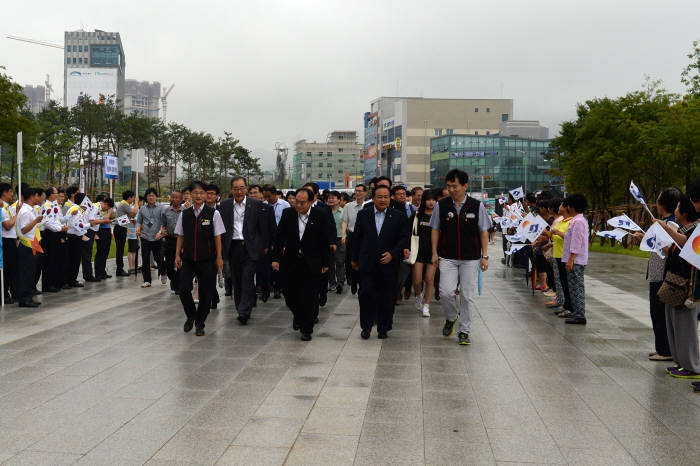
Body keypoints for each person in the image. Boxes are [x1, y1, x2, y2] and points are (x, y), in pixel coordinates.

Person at [431, 169, 491, 346]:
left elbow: (483, 232)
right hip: (447, 257)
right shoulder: (441, 206)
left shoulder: (476, 206)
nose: (451, 190)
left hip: (470, 258)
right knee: (446, 292)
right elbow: (435, 229)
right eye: (448, 186)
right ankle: (451, 317)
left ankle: (464, 330)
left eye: (454, 186)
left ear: (465, 186)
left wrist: (485, 256)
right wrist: (434, 252)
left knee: (467, 295)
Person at [272, 188, 330, 341]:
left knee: (309, 297)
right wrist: (276, 258)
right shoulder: (288, 214)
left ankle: (307, 329)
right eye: (296, 202)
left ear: (311, 202)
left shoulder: (320, 216)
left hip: (312, 263)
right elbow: (279, 237)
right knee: (290, 295)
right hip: (291, 261)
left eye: (302, 203)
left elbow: (325, 241)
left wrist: (325, 262)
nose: (298, 205)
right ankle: (298, 316)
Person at [352, 185, 410, 339]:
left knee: (387, 296)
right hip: (367, 262)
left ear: (390, 197)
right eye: (379, 196)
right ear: (373, 197)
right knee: (366, 295)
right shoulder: (363, 214)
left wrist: (393, 253)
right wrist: (354, 259)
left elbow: (404, 238)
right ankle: (366, 326)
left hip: (388, 264)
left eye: (386, 196)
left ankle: (384, 327)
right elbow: (356, 237)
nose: (383, 200)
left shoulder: (398, 216)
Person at [631, 188, 681, 361]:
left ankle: (665, 350)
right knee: (657, 312)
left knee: (659, 313)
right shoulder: (665, 221)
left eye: (658, 199)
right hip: (657, 272)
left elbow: (668, 249)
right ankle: (662, 347)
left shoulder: (670, 224)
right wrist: (646, 237)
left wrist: (652, 237)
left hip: (662, 274)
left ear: (663, 204)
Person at [175, 181, 225, 336]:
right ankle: (191, 315)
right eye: (195, 193)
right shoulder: (184, 214)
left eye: (202, 193)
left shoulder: (213, 214)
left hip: (207, 260)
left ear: (206, 195)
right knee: (183, 289)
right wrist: (177, 255)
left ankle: (200, 323)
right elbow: (180, 236)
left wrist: (219, 258)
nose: (198, 195)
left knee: (206, 292)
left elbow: (218, 237)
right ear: (189, 195)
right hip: (189, 259)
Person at [658, 194, 700, 379]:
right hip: (675, 285)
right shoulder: (685, 229)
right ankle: (682, 363)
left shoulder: (693, 230)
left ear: (684, 211)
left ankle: (692, 366)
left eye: (677, 208)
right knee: (675, 326)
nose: (675, 211)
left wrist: (666, 229)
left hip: (685, 287)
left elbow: (689, 250)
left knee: (686, 328)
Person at [219, 176, 271, 325]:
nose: (239, 191)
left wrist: (262, 247)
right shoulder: (224, 205)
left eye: (242, 188)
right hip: (233, 247)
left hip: (250, 248)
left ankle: (244, 311)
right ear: (231, 190)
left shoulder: (256, 204)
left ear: (246, 188)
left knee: (247, 278)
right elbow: (222, 230)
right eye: (236, 188)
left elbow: (262, 229)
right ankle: (240, 307)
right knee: (236, 279)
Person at [303, 182, 337, 307]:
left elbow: (331, 226)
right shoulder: (299, 208)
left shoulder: (325, 208)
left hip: (322, 246)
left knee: (322, 274)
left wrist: (333, 241)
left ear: (316, 194)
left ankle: (322, 293)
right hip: (305, 249)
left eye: (309, 192)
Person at [560, 193, 589, 325]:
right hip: (574, 259)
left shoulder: (578, 221)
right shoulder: (577, 220)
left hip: (575, 260)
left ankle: (580, 314)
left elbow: (576, 241)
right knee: (573, 287)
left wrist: (571, 258)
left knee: (577, 287)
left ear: (572, 206)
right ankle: (576, 312)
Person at [411, 189, 438, 317]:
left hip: (433, 252)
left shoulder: (438, 216)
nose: (431, 202)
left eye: (433, 200)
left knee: (429, 279)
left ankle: (426, 305)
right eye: (428, 199)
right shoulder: (417, 215)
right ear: (424, 201)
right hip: (418, 251)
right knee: (417, 281)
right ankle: (418, 296)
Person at [15, 186, 43, 307]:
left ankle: (28, 297)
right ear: (32, 196)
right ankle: (24, 298)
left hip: (32, 244)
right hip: (27, 245)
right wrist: (36, 221)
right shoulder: (26, 211)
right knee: (26, 272)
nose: (39, 198)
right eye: (37, 196)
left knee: (30, 272)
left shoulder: (30, 209)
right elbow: (25, 229)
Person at [263, 185, 290, 299]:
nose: (267, 198)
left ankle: (278, 288)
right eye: (265, 196)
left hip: (281, 239)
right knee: (267, 265)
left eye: (269, 196)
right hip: (267, 239)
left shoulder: (285, 205)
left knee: (279, 264)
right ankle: (267, 287)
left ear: (275, 194)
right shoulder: (263, 205)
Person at [136, 188, 165, 287]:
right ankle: (147, 280)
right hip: (145, 236)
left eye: (153, 195)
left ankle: (163, 272)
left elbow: (163, 222)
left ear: (156, 197)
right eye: (149, 196)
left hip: (157, 237)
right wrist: (138, 228)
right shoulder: (143, 208)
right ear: (146, 197)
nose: (151, 197)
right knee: (145, 259)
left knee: (159, 258)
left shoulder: (161, 208)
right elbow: (139, 221)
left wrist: (160, 232)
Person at [341, 184, 366, 295]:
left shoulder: (368, 206)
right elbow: (345, 221)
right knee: (351, 259)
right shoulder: (348, 206)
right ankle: (353, 281)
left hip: (365, 237)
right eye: (356, 191)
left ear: (365, 193)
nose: (358, 193)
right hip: (352, 235)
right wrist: (343, 235)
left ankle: (360, 281)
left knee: (363, 260)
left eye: (360, 191)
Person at [161, 189, 183, 294]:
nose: (174, 199)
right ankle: (174, 281)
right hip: (169, 240)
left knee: (180, 264)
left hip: (181, 240)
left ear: (181, 199)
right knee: (169, 265)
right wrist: (162, 230)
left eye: (176, 197)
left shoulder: (185, 211)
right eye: (172, 197)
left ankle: (178, 285)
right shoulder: (166, 211)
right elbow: (163, 224)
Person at [65, 192, 88, 288]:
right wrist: (88, 226)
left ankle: (71, 279)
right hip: (74, 237)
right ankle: (71, 280)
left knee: (74, 259)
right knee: (74, 260)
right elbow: (76, 224)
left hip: (73, 236)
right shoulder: (76, 209)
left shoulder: (76, 209)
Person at [1, 183, 19, 303]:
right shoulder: (2, 208)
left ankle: (9, 292)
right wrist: (17, 213)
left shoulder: (6, 206)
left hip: (11, 239)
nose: (12, 194)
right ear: (4, 192)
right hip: (5, 240)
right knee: (6, 269)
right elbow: (7, 225)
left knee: (12, 268)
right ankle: (4, 294)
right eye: (10, 191)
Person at [326, 191, 346, 294]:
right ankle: (332, 283)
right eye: (329, 198)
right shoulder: (324, 211)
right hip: (328, 241)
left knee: (339, 261)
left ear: (339, 200)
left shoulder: (343, 212)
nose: (331, 199)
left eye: (333, 198)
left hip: (340, 240)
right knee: (329, 263)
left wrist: (344, 237)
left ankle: (340, 283)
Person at [114, 190, 137, 277]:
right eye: (133, 197)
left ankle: (119, 269)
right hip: (120, 229)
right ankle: (119, 270)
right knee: (120, 250)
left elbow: (122, 218)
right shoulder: (124, 205)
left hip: (120, 228)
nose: (134, 199)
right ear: (129, 198)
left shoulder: (123, 204)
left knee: (120, 249)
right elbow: (134, 214)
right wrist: (137, 203)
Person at [93, 196, 114, 280]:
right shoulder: (98, 209)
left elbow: (110, 218)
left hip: (107, 230)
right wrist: (109, 212)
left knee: (105, 252)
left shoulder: (107, 209)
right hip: (100, 231)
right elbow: (105, 219)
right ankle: (98, 273)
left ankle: (103, 271)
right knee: (100, 252)